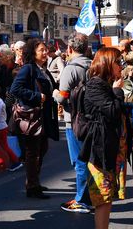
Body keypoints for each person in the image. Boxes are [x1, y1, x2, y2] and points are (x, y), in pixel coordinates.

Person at [78, 47, 131, 229]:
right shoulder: (95, 84)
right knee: (103, 197)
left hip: (111, 147)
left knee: (107, 197)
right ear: (108, 63)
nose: (121, 66)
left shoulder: (106, 83)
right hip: (100, 149)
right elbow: (112, 112)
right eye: (118, 62)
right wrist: (118, 92)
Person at [10, 39, 59, 199]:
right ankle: (32, 186)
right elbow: (15, 89)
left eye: (46, 50)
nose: (45, 53)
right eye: (41, 50)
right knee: (33, 153)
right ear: (33, 53)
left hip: (43, 116)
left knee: (42, 149)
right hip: (31, 116)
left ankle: (34, 181)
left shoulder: (42, 68)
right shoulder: (28, 69)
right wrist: (38, 96)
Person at [52, 32, 93, 214]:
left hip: (75, 120)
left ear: (69, 49)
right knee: (88, 160)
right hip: (91, 119)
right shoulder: (92, 66)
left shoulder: (71, 68)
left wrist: (54, 94)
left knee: (79, 162)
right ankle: (89, 196)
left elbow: (62, 97)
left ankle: (81, 200)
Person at [0, 83, 22, 171]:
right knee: (2, 146)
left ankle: (16, 162)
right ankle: (7, 162)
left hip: (0, 128)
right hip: (0, 127)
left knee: (4, 146)